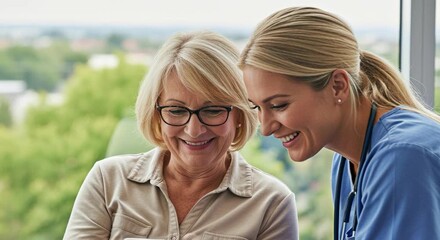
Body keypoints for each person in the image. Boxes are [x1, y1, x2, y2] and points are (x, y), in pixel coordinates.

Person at [63, 30, 299, 240]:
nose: (194, 130)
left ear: (240, 113)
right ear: (155, 112)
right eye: (176, 110)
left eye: (213, 110)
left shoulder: (272, 203)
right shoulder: (108, 181)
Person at [238, 6, 440, 240]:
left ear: (338, 86)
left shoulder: (402, 156)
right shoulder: (346, 161)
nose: (266, 128)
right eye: (257, 107)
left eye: (279, 106)